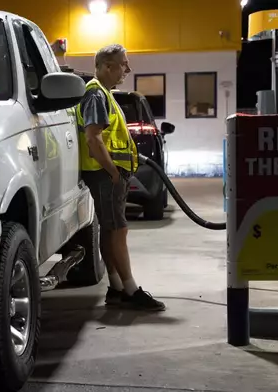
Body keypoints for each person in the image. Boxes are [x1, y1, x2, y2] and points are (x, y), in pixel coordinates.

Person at [76, 44, 165, 311]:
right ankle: (130, 290)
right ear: (106, 66)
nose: (127, 69)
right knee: (118, 229)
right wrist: (113, 172)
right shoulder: (96, 95)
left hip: (109, 175)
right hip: (105, 175)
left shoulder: (104, 94)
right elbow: (93, 137)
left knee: (110, 228)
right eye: (123, 64)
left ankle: (116, 288)